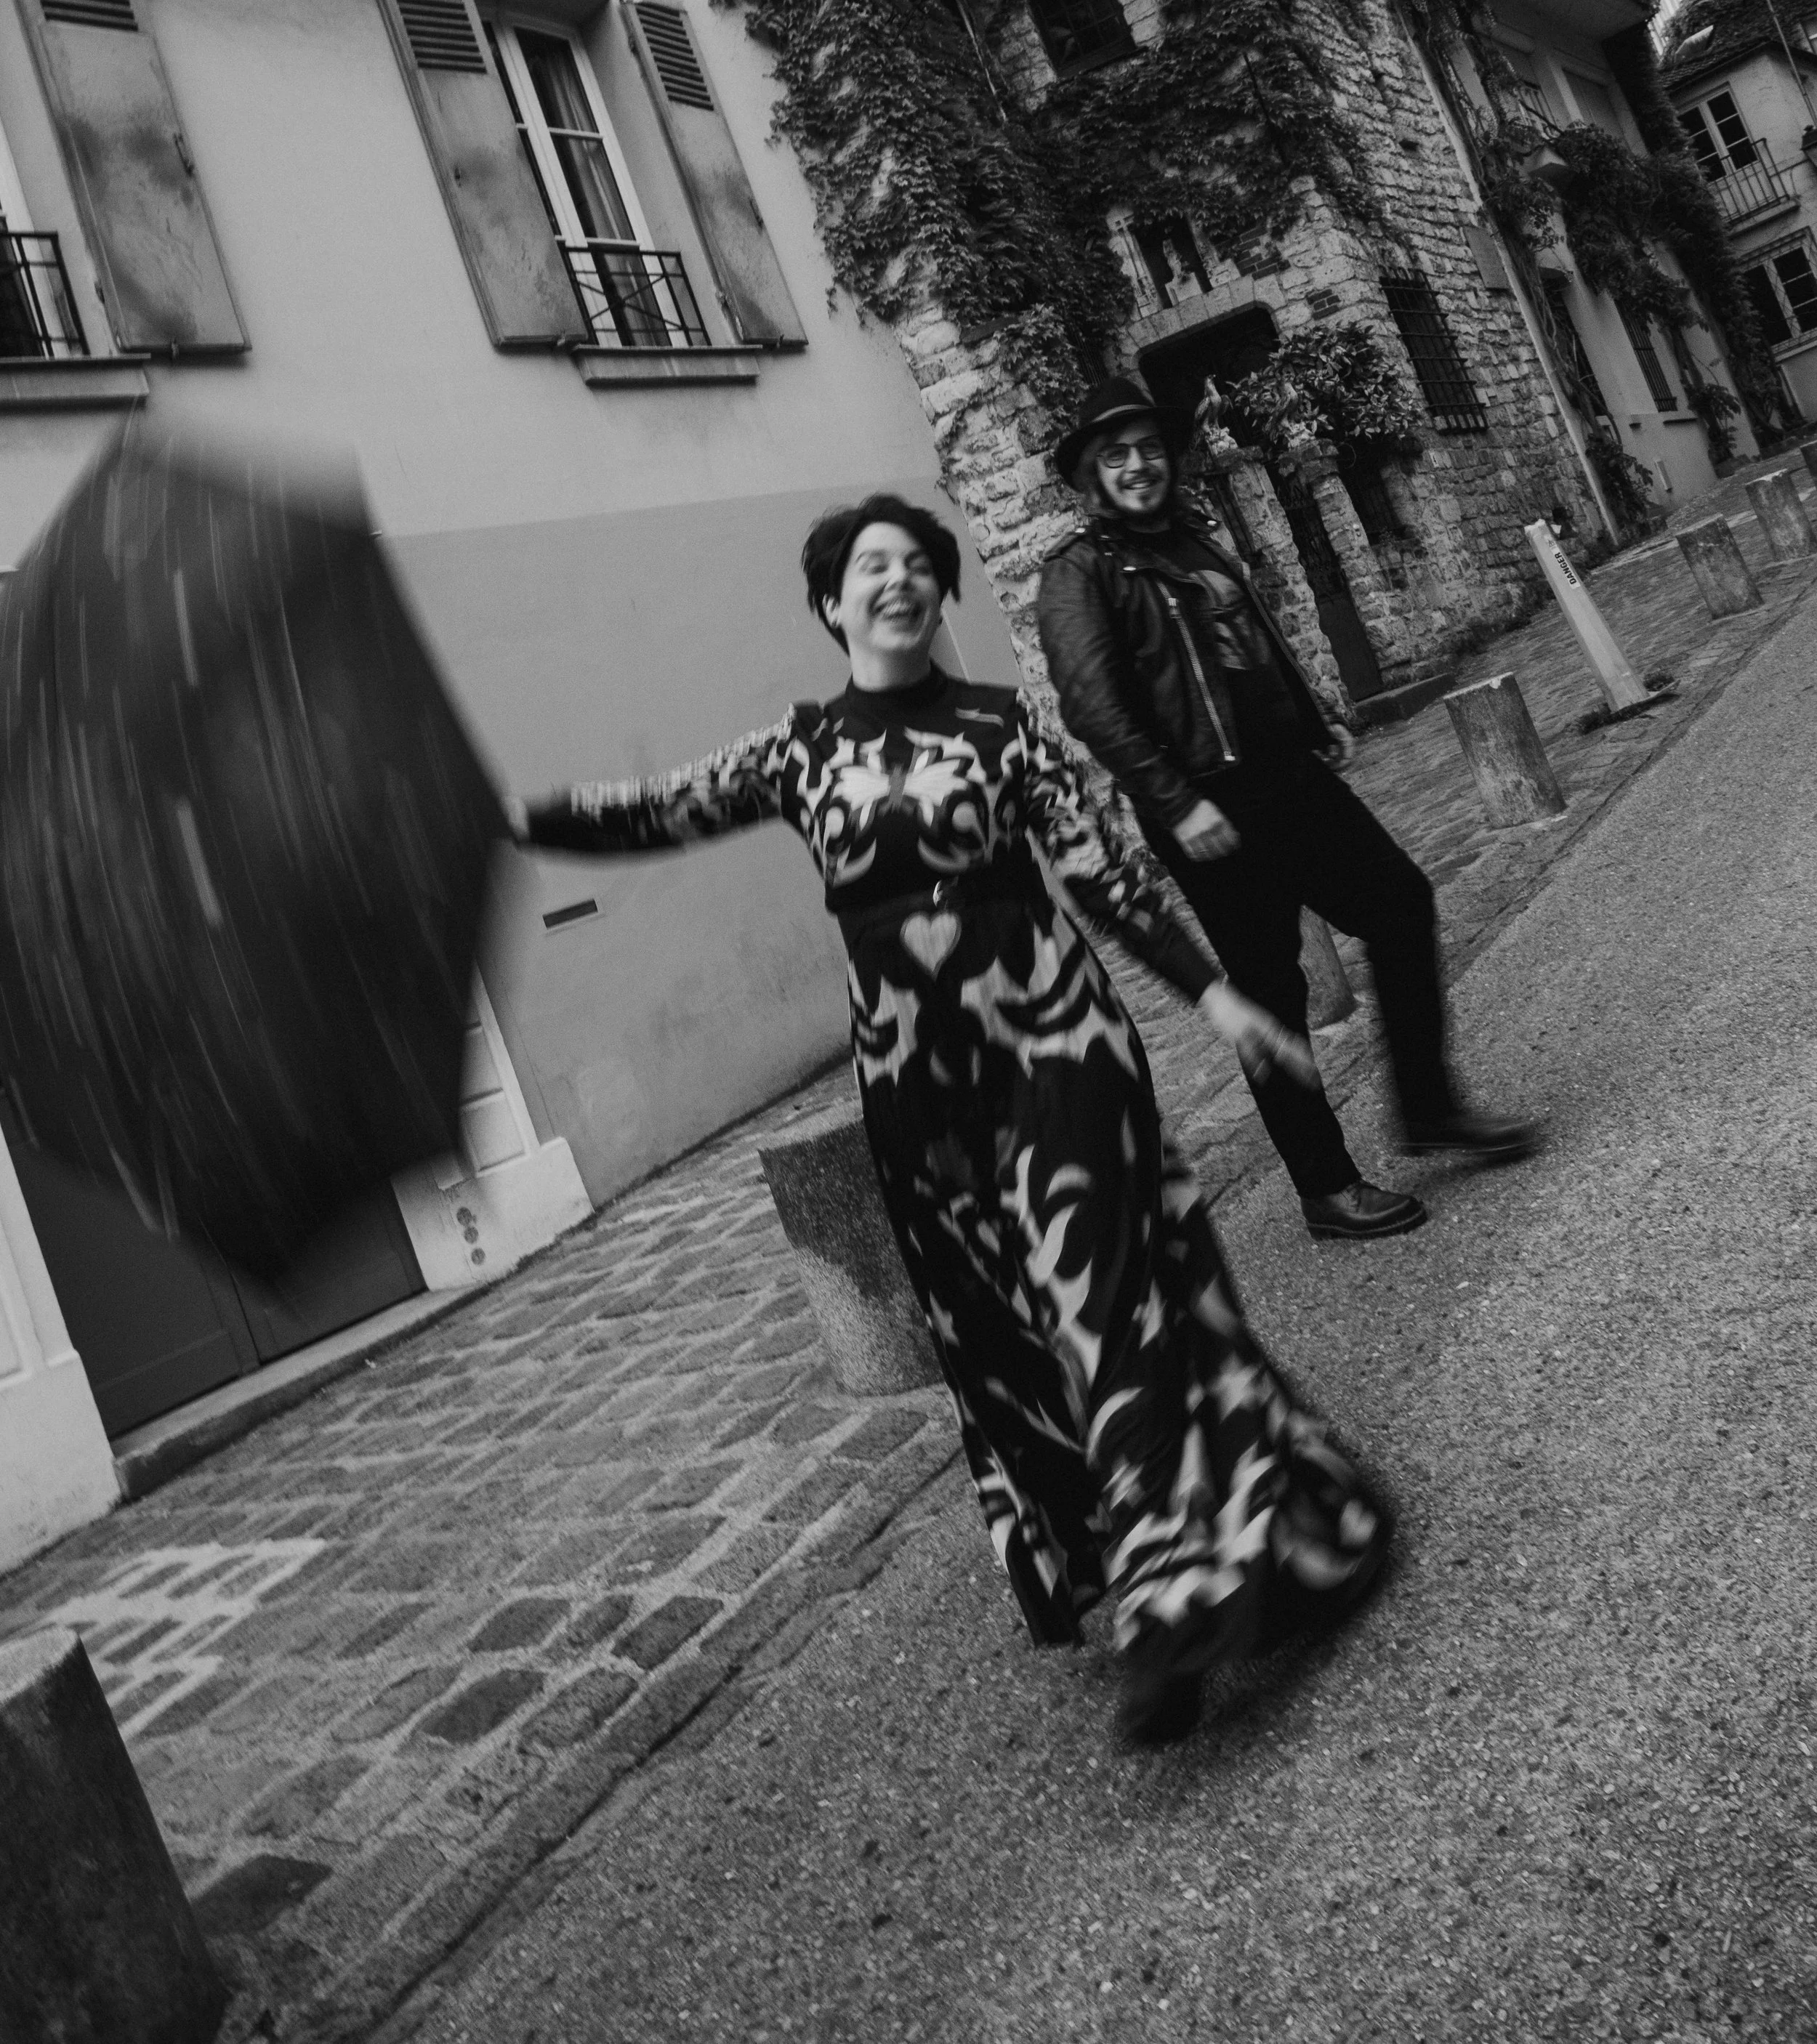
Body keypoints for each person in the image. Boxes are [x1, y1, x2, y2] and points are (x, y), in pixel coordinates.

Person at [508, 493, 1390, 1745]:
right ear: (831, 603)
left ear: (938, 593)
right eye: (870, 566)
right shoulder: (799, 748)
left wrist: (1218, 997)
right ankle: (1213, 1532)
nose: (899, 579)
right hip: (917, 1083)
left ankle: (1173, 1604)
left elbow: (1103, 874)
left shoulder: (1001, 724)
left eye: (919, 563)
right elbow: (656, 808)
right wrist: (512, 816)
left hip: (1057, 1044)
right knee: (1011, 1332)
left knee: (1108, 1299)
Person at [1036, 379, 1539, 1245]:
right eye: (1114, 455)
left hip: (1288, 778)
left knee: (1399, 903)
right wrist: (1175, 803)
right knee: (1271, 994)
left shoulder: (1193, 536)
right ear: (1090, 476)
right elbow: (1092, 708)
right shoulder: (1080, 573)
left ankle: (1428, 1108)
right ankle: (1326, 1186)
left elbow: (1252, 646)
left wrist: (1313, 718)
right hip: (1208, 807)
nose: (1137, 466)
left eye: (1148, 448)